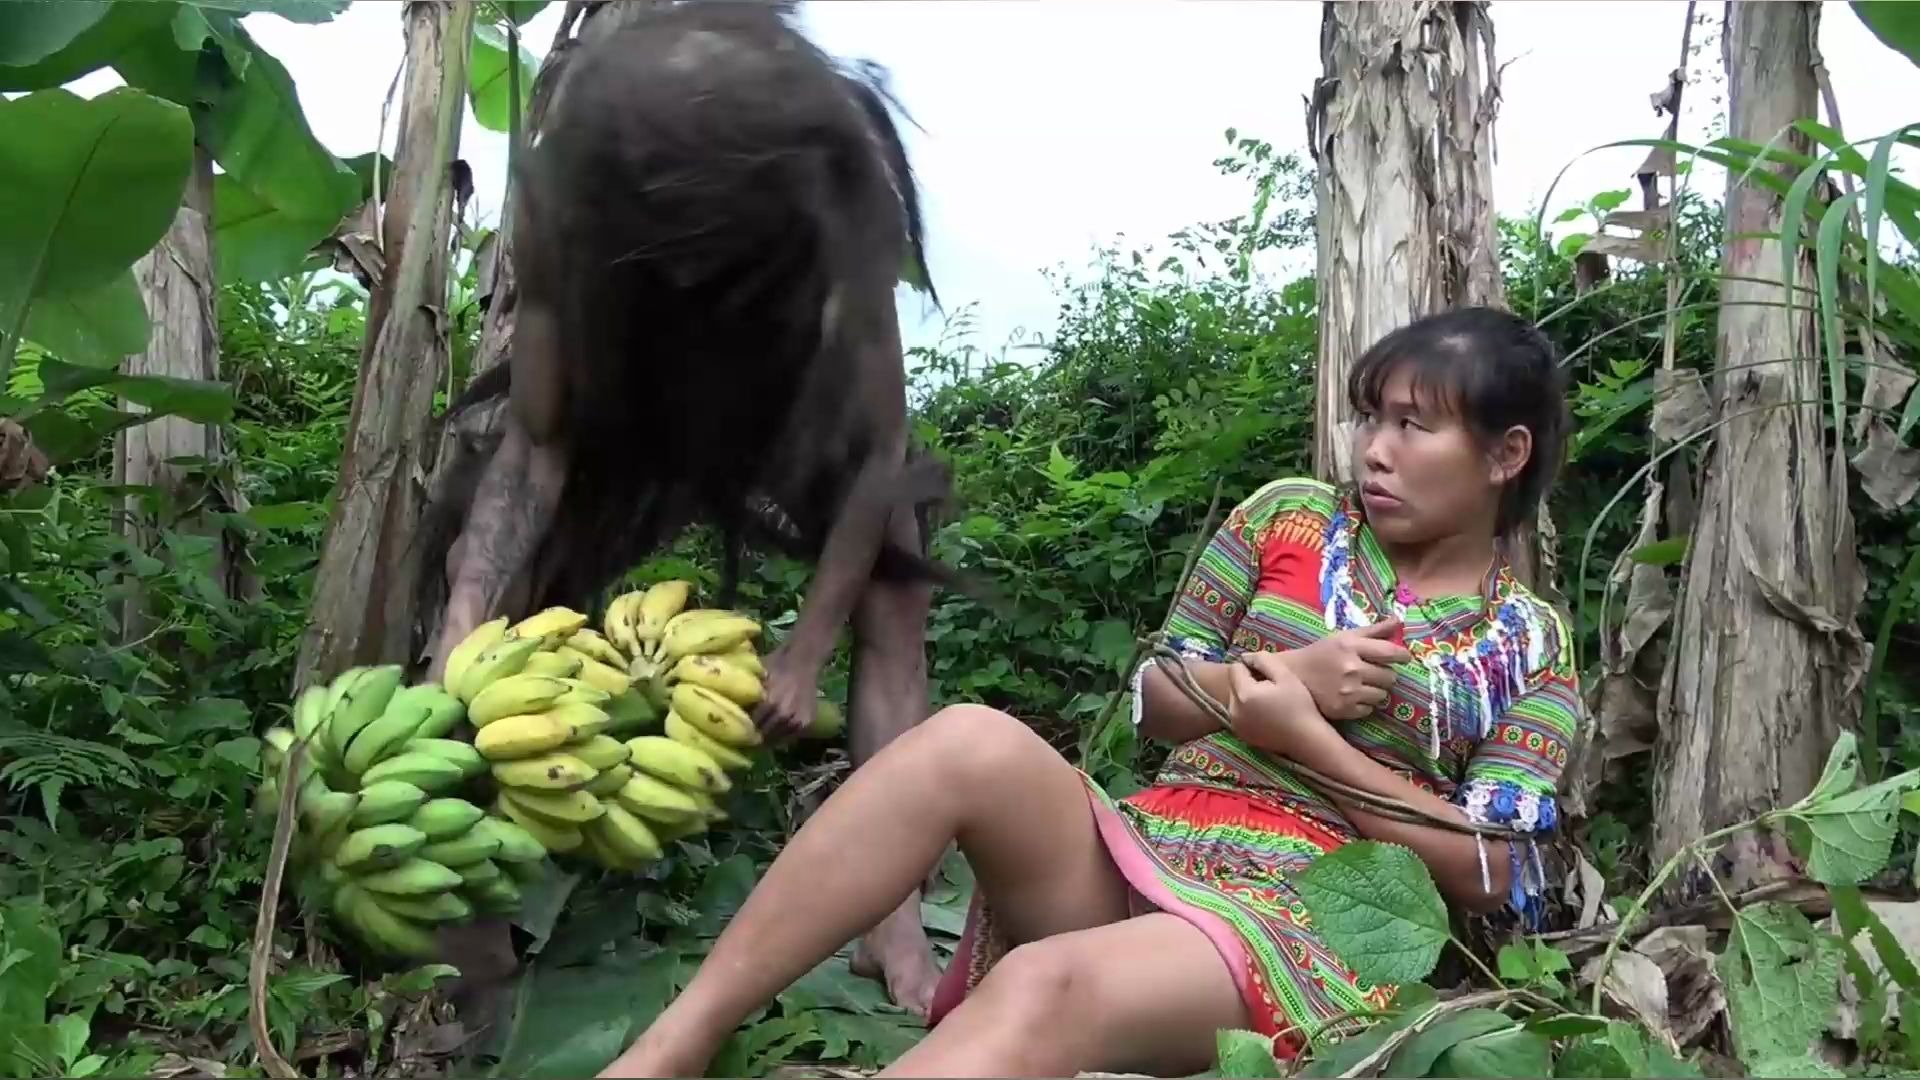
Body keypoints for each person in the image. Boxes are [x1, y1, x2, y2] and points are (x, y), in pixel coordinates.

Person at [595, 306, 1583, 1078]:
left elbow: (1502, 875)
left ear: (1505, 455)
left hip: (1301, 926)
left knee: (1042, 984)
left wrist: (1308, 740)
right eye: (1373, 418)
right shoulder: (1286, 518)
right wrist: (1254, 691)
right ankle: (672, 1048)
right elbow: (1156, 696)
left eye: (1415, 426)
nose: (1375, 449)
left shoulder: (1525, 640)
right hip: (1143, 852)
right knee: (968, 739)